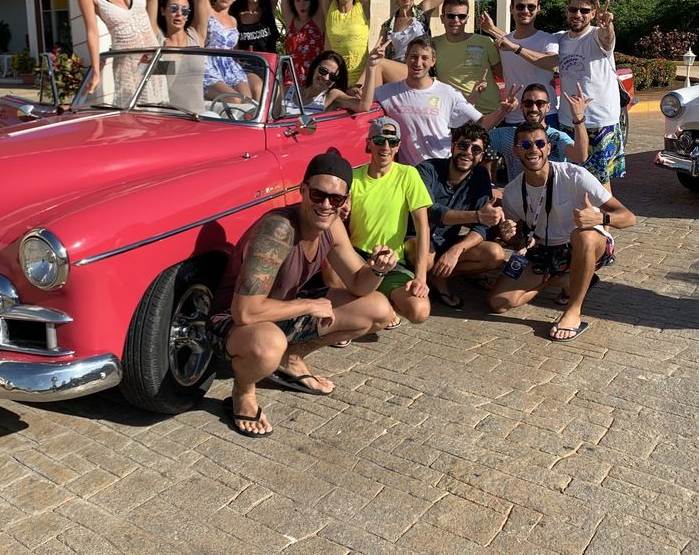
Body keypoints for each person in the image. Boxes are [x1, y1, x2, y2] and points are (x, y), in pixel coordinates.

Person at [207, 152, 395, 437]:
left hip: (281, 311)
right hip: (230, 323)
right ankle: (243, 390)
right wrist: (308, 305)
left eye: (336, 199)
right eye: (318, 195)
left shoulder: (332, 224)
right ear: (303, 191)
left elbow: (359, 284)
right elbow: (244, 312)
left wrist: (379, 269)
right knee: (269, 344)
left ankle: (291, 360)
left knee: (379, 308)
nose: (326, 205)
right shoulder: (279, 229)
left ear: (345, 201)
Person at [487, 121, 636, 341]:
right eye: (526, 144)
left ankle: (573, 311)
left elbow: (629, 217)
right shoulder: (511, 192)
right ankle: (566, 279)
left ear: (548, 147)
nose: (533, 149)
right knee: (498, 302)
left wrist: (600, 218)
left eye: (539, 143)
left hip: (587, 245)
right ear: (516, 150)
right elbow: (521, 241)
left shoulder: (575, 175)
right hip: (547, 251)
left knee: (583, 234)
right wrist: (509, 234)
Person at [490, 0, 624, 190]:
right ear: (566, 10)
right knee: (569, 181)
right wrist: (493, 30)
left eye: (584, 11)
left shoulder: (596, 36)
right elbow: (521, 39)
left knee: (599, 184)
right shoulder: (560, 39)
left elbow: (607, 37)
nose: (578, 14)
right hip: (567, 121)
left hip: (599, 121)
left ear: (594, 14)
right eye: (573, 9)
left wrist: (607, 26)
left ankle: (604, 222)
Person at [373, 36, 518, 166]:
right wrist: (366, 71)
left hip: (442, 171)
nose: (418, 62)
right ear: (406, 58)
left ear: (433, 62)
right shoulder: (387, 92)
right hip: (410, 175)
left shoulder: (448, 93)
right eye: (413, 56)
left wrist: (502, 111)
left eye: (424, 58)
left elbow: (481, 124)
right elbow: (362, 104)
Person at [345, 118, 432, 326]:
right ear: (369, 143)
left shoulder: (408, 174)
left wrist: (421, 278)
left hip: (391, 261)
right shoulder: (353, 176)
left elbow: (422, 226)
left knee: (419, 311)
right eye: (379, 140)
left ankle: (374, 308)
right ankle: (376, 310)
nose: (385, 147)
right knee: (331, 265)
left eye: (392, 142)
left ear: (398, 146)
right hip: (357, 258)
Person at [415, 122, 507, 309]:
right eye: (463, 145)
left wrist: (456, 250)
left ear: (481, 155)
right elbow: (431, 212)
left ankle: (437, 275)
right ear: (452, 146)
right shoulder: (427, 169)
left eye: (475, 149)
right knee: (427, 258)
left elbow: (483, 226)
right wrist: (477, 216)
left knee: (495, 254)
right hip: (416, 238)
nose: (468, 152)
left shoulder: (480, 176)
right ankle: (431, 279)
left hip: (447, 241)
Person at [480, 0, 563, 128]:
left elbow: (552, 62)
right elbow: (509, 41)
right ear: (511, 9)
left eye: (531, 7)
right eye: (520, 6)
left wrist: (516, 48)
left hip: (545, 117)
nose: (525, 11)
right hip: (513, 117)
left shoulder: (547, 39)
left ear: (538, 9)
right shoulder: (505, 42)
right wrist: (492, 29)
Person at [488, 83, 590, 182]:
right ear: (521, 106)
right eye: (528, 103)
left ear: (548, 107)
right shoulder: (507, 135)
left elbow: (580, 156)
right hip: (519, 196)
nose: (534, 108)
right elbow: (478, 135)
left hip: (554, 196)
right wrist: (502, 112)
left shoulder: (557, 137)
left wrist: (579, 117)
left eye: (540, 103)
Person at [432, 0, 503, 116]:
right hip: (454, 115)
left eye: (461, 16)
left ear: (467, 18)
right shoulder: (433, 44)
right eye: (451, 16)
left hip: (488, 113)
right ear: (442, 18)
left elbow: (501, 74)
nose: (456, 20)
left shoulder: (485, 42)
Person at [282, 48, 379, 116]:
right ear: (314, 68)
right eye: (323, 71)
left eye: (333, 76)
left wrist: (371, 67)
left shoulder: (332, 96)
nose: (327, 78)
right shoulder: (288, 91)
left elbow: (364, 106)